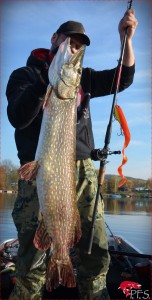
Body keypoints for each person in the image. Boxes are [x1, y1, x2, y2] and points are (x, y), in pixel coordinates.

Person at [6, 9, 138, 300]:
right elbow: (17, 116)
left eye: (80, 46)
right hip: (38, 171)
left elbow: (123, 79)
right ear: (55, 38)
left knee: (96, 247)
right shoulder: (24, 75)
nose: (74, 48)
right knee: (30, 257)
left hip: (82, 174)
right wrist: (45, 83)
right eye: (69, 40)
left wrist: (125, 39)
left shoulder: (83, 79)